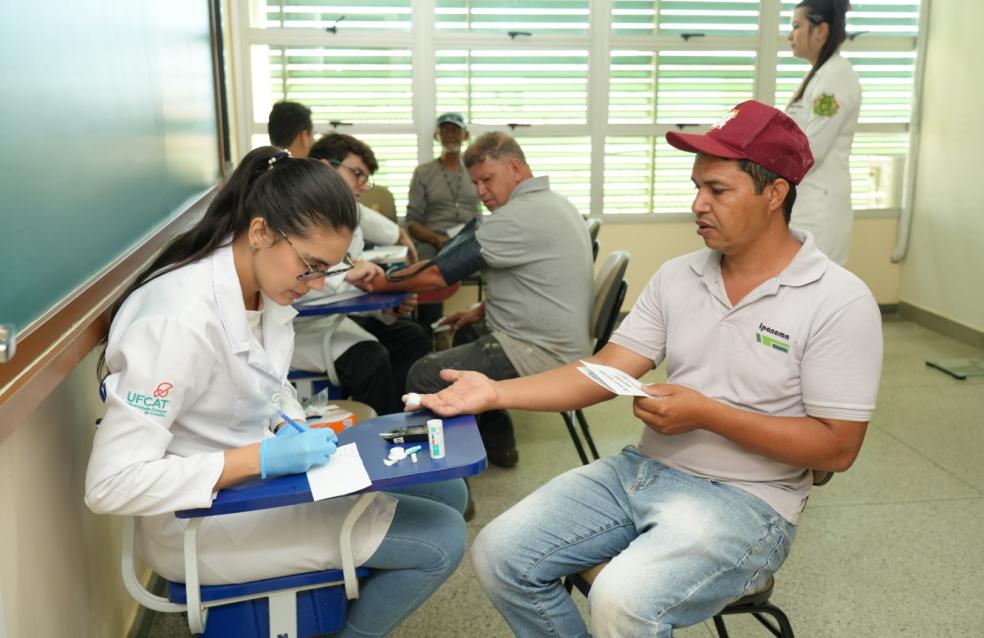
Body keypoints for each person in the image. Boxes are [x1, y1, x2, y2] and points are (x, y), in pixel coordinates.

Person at [410, 101, 884, 636]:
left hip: (752, 501)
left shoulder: (839, 300)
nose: (698, 204)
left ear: (775, 193)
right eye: (696, 187)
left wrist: (708, 414)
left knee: (621, 599)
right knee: (500, 553)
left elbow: (837, 447)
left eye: (718, 190)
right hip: (646, 470)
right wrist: (495, 393)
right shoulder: (680, 276)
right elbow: (604, 368)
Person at [84, 146, 466, 638]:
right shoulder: (176, 321)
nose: (315, 284)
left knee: (447, 488)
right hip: (207, 520)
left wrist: (291, 422)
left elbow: (265, 383)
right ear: (261, 230)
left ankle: (344, 574)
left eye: (327, 269)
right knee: (443, 537)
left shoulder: (257, 284)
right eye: (310, 266)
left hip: (260, 480)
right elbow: (110, 484)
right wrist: (260, 459)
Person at [374, 131, 594, 468]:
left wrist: (378, 281)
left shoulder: (517, 217)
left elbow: (436, 274)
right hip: (560, 340)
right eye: (475, 183)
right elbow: (539, 281)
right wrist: (480, 311)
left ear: (516, 168)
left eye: (487, 179)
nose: (480, 192)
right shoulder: (554, 202)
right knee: (466, 334)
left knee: (426, 374)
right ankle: (498, 446)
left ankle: (450, 482)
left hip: (544, 352)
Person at [293, 132, 428, 415]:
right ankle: (383, 437)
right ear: (324, 167)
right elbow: (301, 277)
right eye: (357, 175)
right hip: (299, 327)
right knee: (372, 359)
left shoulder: (344, 211)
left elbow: (346, 286)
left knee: (412, 337)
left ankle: (402, 419)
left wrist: (387, 309)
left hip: (333, 315)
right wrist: (349, 270)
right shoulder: (295, 210)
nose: (363, 187)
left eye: (366, 178)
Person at [786, 0, 860, 265]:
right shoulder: (822, 74)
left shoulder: (836, 77)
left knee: (815, 291)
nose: (789, 35)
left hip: (820, 205)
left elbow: (812, 150)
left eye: (796, 26)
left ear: (821, 31)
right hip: (806, 200)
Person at [405, 112, 484, 328]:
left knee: (502, 265)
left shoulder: (476, 171)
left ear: (465, 135)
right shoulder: (424, 173)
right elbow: (412, 222)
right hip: (435, 241)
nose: (450, 135)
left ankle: (481, 325)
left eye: (455, 130)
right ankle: (431, 330)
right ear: (436, 136)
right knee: (428, 274)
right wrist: (436, 239)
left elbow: (486, 210)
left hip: (471, 238)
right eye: (445, 130)